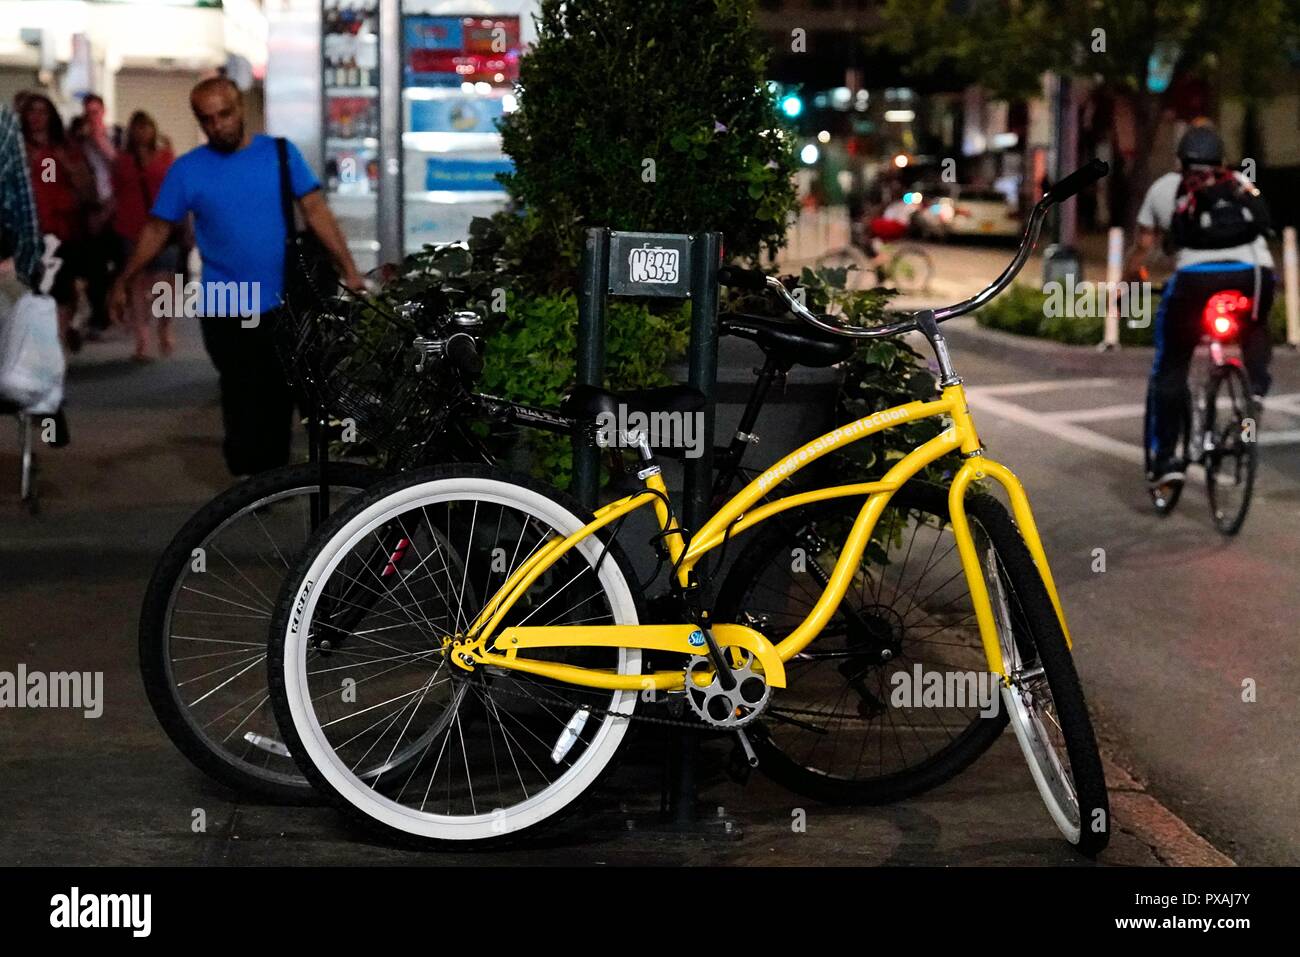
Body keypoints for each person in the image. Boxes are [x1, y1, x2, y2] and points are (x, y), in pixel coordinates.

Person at [109, 76, 365, 477]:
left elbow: (315, 210)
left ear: (240, 109)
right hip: (225, 300)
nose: (218, 126)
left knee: (281, 391)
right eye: (207, 119)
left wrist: (349, 270)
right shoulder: (188, 170)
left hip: (284, 297)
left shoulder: (280, 154)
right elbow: (158, 228)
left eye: (224, 114)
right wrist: (125, 278)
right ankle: (249, 475)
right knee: (241, 389)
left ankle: (273, 474)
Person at [1124, 124, 1275, 487]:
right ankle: (1253, 391)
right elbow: (1264, 227)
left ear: (1180, 160)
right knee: (1255, 326)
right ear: (1221, 160)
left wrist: (1130, 283)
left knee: (1172, 364)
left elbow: (1143, 247)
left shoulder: (1164, 188)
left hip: (1195, 279)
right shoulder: (1241, 183)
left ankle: (1166, 461)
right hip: (1254, 275)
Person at [18, 93, 97, 352]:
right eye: (32, 112)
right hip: (24, 230)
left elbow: (53, 185)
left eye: (42, 112)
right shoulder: (16, 147)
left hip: (56, 231)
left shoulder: (56, 153)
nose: (37, 118)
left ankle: (58, 339)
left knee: (60, 289)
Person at [110, 111, 178, 361]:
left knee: (164, 284)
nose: (142, 133)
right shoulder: (122, 161)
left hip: (164, 226)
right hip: (131, 226)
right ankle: (142, 338)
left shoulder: (166, 157)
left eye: (146, 127)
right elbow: (115, 191)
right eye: (137, 128)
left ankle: (165, 327)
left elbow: (177, 190)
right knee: (136, 284)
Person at [73, 93, 123, 337]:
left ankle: (117, 306)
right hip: (91, 209)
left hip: (117, 209)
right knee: (94, 267)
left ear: (103, 112)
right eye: (88, 112)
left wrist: (99, 140)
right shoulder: (76, 142)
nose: (91, 117)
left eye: (96, 112)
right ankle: (99, 316)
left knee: (122, 264)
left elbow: (121, 168)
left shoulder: (117, 136)